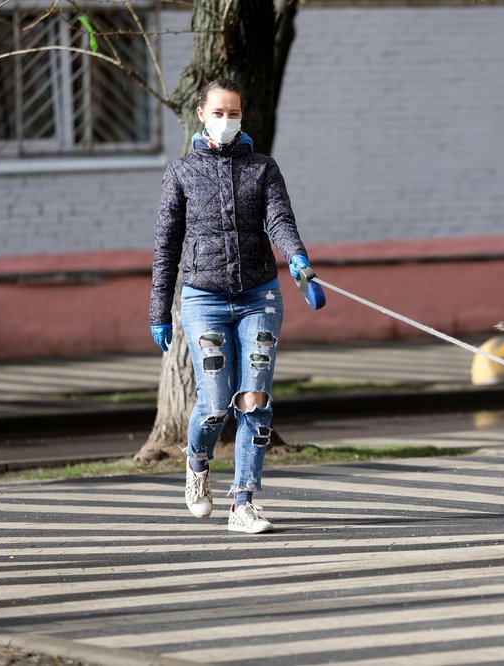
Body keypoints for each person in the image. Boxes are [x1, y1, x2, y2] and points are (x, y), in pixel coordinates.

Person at [148, 78, 312, 534]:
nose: (226, 121)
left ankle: (243, 503)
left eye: (234, 114)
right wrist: (159, 310)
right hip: (204, 298)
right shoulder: (181, 172)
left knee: (255, 401)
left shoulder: (263, 168)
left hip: (260, 297)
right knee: (216, 403)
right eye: (218, 113)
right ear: (201, 114)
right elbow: (166, 246)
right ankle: (197, 462)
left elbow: (279, 219)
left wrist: (297, 257)